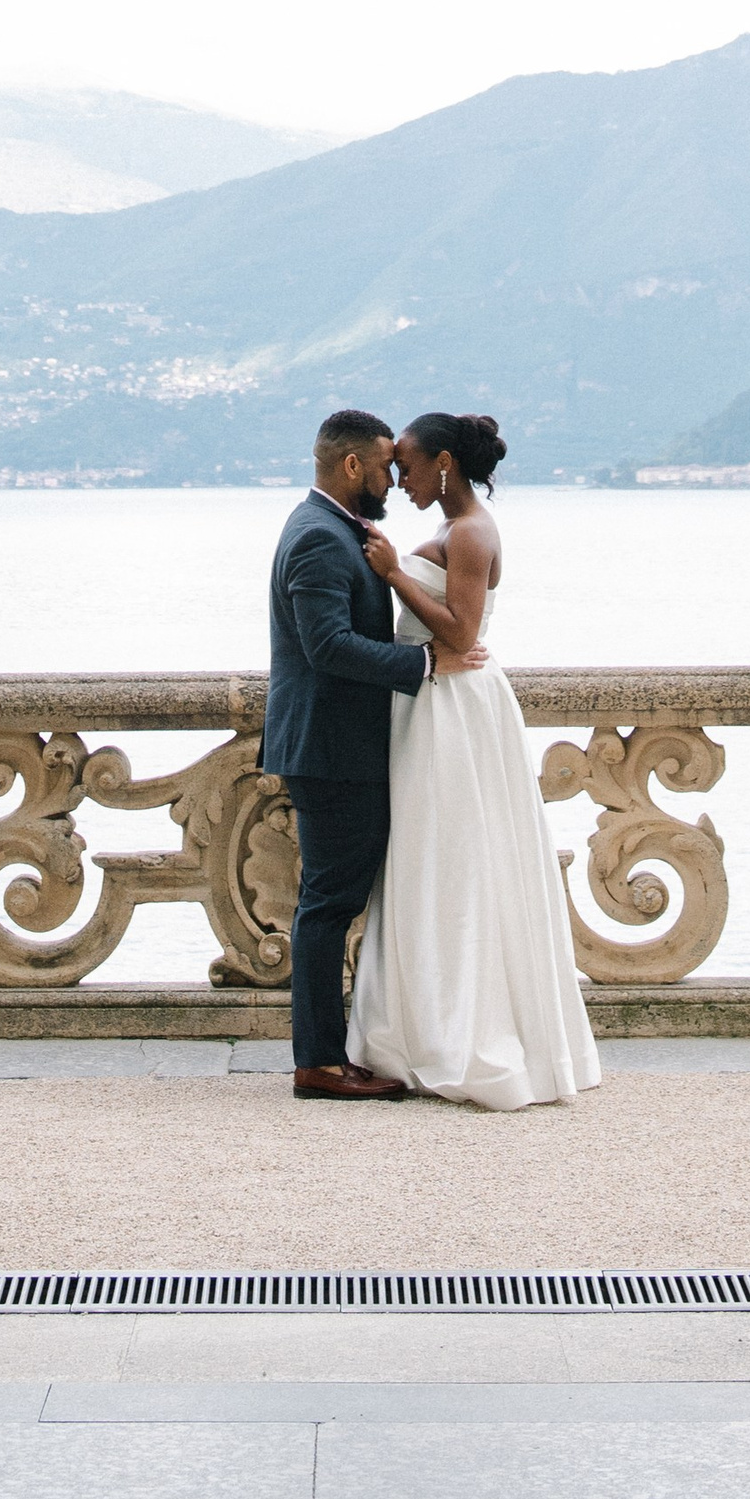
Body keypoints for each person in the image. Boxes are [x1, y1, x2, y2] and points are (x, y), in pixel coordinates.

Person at [348, 410, 601, 1110]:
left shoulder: (470, 532)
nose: (400, 480)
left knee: (454, 860)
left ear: (444, 463)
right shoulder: (459, 527)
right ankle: (422, 1026)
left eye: (407, 467)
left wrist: (395, 575)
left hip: (453, 705)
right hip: (431, 699)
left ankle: (461, 1033)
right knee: (430, 859)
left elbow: (461, 633)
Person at [264, 408, 489, 1101]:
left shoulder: (338, 529)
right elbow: (327, 647)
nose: (395, 479)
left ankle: (336, 1053)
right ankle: (319, 1063)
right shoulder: (318, 537)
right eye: (387, 466)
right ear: (352, 465)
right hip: (330, 749)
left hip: (342, 745)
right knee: (328, 905)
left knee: (332, 902)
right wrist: (424, 664)